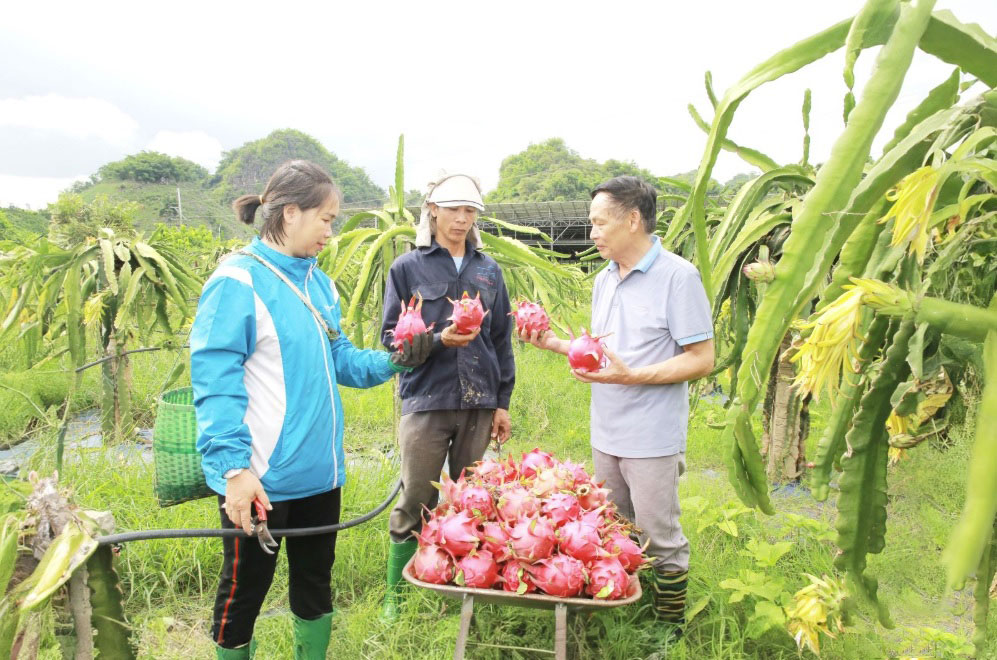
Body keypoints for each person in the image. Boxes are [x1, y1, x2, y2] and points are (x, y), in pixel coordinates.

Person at [190, 160, 431, 659]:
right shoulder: (238, 281)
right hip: (260, 481)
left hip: (321, 474)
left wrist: (395, 359)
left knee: (315, 587)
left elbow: (340, 358)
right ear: (291, 212)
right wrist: (233, 470)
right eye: (326, 218)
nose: (330, 230)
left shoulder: (317, 283)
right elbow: (215, 384)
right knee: (243, 593)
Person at [519, 175, 714, 629]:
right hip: (605, 430)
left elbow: (702, 359)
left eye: (599, 223)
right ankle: (628, 617)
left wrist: (634, 376)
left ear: (632, 219)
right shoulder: (605, 279)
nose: (592, 234)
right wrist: (551, 342)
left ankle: (668, 630)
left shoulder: (678, 278)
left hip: (651, 435)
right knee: (616, 528)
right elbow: (601, 352)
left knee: (659, 535)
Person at [378, 172, 515, 620]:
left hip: (479, 402)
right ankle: (396, 596)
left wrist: (502, 402)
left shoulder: (488, 270)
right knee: (416, 496)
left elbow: (500, 340)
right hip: (426, 400)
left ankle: (460, 591)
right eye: (453, 209)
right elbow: (391, 339)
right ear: (432, 210)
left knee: (469, 500)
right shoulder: (407, 267)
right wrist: (439, 340)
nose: (461, 219)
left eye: (470, 210)